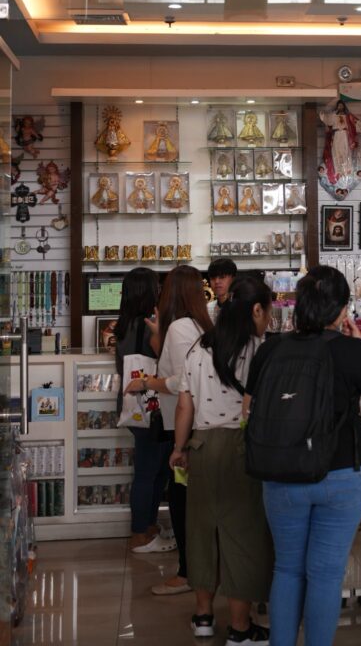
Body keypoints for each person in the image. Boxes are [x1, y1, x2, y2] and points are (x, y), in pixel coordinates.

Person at [244, 266, 361, 646]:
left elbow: (249, 409)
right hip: (343, 473)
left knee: (287, 569)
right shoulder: (353, 350)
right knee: (325, 574)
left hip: (281, 473)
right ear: (342, 310)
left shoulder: (271, 349)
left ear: (300, 306)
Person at [170, 277, 274, 643]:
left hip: (200, 446)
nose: (269, 319)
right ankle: (240, 629)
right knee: (242, 536)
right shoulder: (259, 350)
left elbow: (184, 405)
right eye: (268, 311)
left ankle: (203, 617)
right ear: (256, 310)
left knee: (202, 532)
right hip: (241, 448)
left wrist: (179, 448)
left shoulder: (199, 348)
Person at [125, 265, 213, 595]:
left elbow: (180, 381)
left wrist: (148, 382)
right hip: (201, 423)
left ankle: (188, 573)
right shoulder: (202, 323)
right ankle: (199, 570)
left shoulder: (179, 328)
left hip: (184, 426)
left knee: (180, 499)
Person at [114, 267, 173, 554]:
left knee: (152, 470)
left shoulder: (123, 325)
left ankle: (148, 527)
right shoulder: (148, 325)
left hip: (134, 406)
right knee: (151, 472)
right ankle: (140, 534)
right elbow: (166, 359)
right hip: (153, 406)